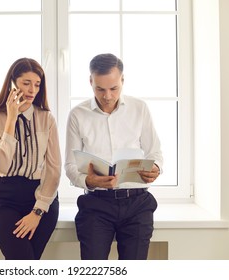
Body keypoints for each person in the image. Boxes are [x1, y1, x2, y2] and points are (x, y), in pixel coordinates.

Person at [65, 53, 163, 260]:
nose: (107, 96)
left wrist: (156, 169)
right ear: (90, 81)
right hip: (96, 204)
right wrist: (87, 180)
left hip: (137, 204)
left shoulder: (140, 109)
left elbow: (155, 152)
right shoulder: (77, 114)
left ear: (123, 81)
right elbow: (70, 165)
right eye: (100, 89)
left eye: (114, 88)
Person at [0, 58, 61, 260]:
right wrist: (11, 119)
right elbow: (0, 165)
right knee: (23, 261)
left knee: (25, 263)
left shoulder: (47, 118)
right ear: (12, 83)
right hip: (3, 197)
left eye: (37, 84)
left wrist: (37, 212)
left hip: (41, 197)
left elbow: (54, 170)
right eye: (26, 83)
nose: (32, 90)